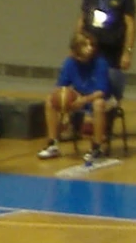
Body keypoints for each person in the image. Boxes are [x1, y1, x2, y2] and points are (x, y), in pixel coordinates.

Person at [42, 31, 115, 166]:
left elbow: (102, 91)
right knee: (50, 101)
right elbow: (60, 87)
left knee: (98, 105)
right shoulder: (69, 63)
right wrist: (66, 101)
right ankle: (53, 144)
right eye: (85, 45)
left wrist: (84, 100)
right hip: (79, 97)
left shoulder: (100, 62)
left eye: (91, 45)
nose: (90, 48)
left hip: (103, 98)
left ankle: (97, 148)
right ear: (76, 48)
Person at [78, 0, 136, 99]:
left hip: (112, 51)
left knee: (107, 89)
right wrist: (77, 42)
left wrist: (127, 52)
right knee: (86, 85)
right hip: (91, 47)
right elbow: (82, 19)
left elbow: (130, 25)